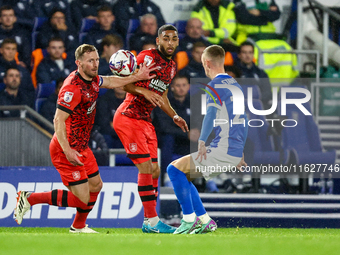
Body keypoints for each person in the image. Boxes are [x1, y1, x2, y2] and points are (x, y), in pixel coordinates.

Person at [14, 43, 162, 233]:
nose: (95, 64)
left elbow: (109, 81)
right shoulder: (72, 89)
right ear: (78, 63)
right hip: (65, 148)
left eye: (97, 60)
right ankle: (29, 199)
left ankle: (78, 226)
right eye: (90, 61)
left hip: (82, 147)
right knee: (81, 199)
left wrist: (136, 77)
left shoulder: (92, 79)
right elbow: (58, 120)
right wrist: (67, 150)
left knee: (96, 185)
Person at [113, 24, 188, 233]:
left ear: (178, 42)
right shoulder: (147, 57)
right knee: (146, 168)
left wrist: (174, 115)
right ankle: (152, 221)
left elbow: (161, 95)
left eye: (174, 39)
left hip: (145, 120)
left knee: (155, 170)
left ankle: (150, 220)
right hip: (128, 116)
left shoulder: (172, 67)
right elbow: (123, 83)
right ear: (158, 41)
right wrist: (142, 92)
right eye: (166, 38)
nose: (170, 43)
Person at [166, 45, 248, 234]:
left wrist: (202, 141)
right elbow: (242, 120)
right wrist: (240, 150)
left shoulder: (215, 85)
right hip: (232, 148)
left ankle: (189, 220)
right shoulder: (235, 85)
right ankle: (204, 220)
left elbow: (210, 115)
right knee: (184, 173)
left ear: (207, 63)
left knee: (173, 170)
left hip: (223, 148)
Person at [152, 74, 191, 185]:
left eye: (184, 85)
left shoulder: (194, 101)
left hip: (186, 140)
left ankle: (210, 178)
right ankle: (167, 175)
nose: (181, 88)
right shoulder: (163, 101)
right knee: (168, 138)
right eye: (178, 85)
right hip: (167, 140)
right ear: (172, 87)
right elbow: (164, 127)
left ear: (188, 86)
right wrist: (186, 134)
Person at [234, 41, 272, 110]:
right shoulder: (232, 73)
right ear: (239, 55)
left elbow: (268, 93)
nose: (248, 56)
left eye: (250, 52)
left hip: (257, 107)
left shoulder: (261, 73)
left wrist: (255, 100)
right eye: (244, 52)